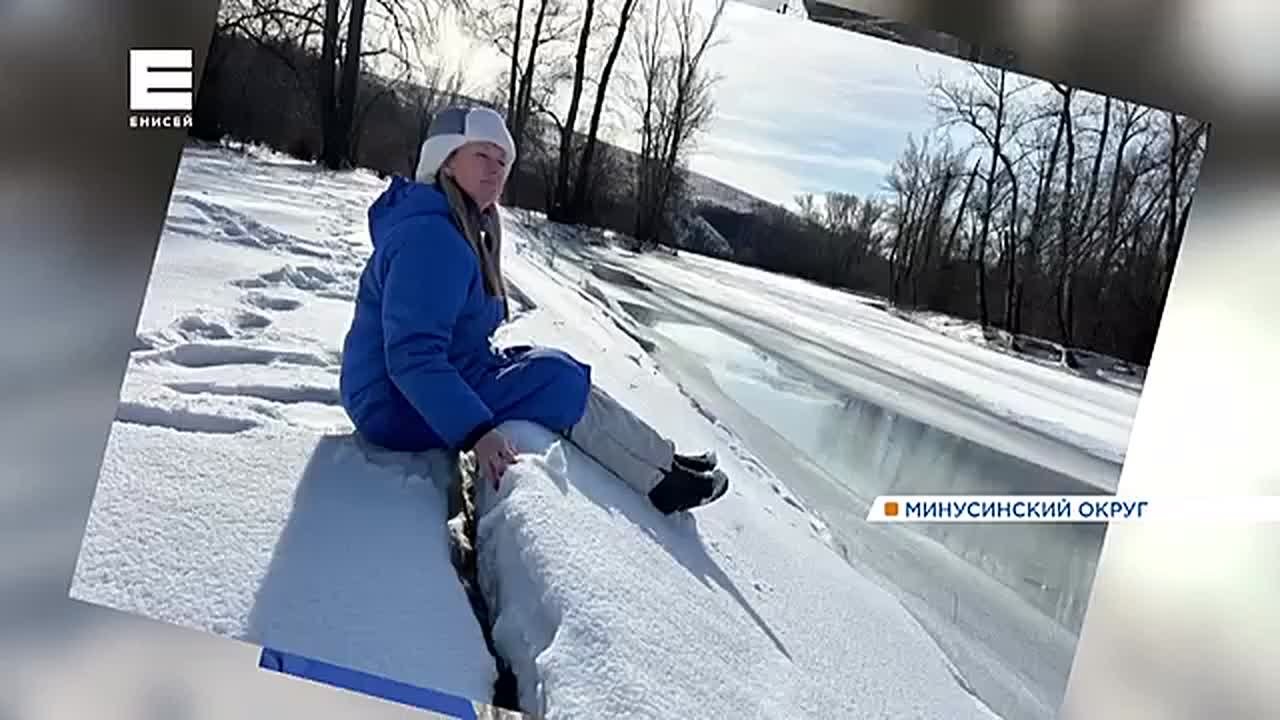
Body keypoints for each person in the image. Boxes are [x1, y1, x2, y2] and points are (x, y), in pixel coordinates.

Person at [338, 105, 729, 515]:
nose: (494, 171)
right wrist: (477, 432)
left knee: (548, 364)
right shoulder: (432, 239)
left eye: (502, 162)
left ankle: (664, 460)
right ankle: (663, 483)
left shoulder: (455, 225)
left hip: (412, 388)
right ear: (448, 162)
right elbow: (412, 356)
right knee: (554, 381)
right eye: (481, 156)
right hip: (393, 404)